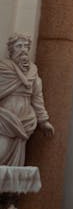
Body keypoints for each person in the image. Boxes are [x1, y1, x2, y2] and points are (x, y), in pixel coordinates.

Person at [0, 34, 54, 167]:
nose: (23, 49)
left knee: (15, 165)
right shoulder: (3, 70)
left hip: (25, 120)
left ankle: (7, 187)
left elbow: (37, 98)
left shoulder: (33, 73)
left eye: (26, 46)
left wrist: (43, 121)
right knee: (2, 151)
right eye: (19, 46)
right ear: (11, 49)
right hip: (6, 119)